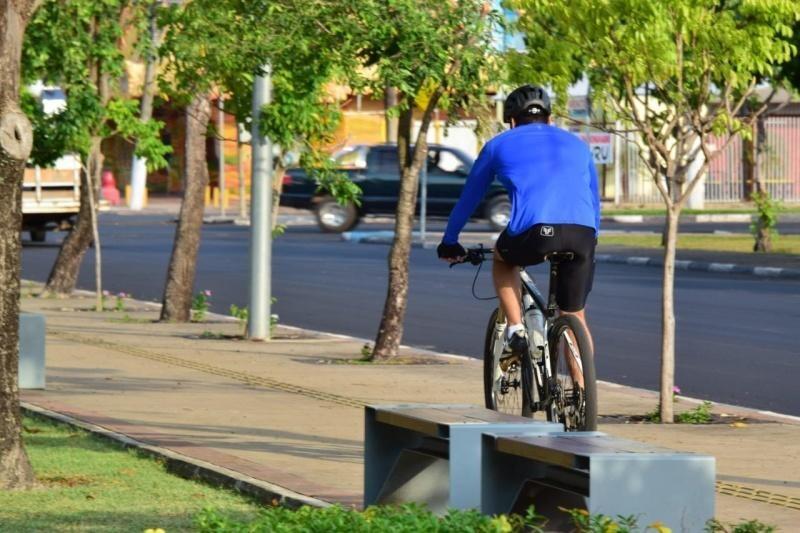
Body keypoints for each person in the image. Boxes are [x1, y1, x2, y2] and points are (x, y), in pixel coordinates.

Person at [437, 84, 600, 362]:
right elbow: (594, 200)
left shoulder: (497, 145)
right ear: (550, 118)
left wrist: (449, 241)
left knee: (503, 260)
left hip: (534, 233)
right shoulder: (578, 146)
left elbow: (469, 198)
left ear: (511, 121)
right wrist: (591, 240)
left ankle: (516, 329)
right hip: (583, 234)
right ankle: (583, 399)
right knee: (573, 316)